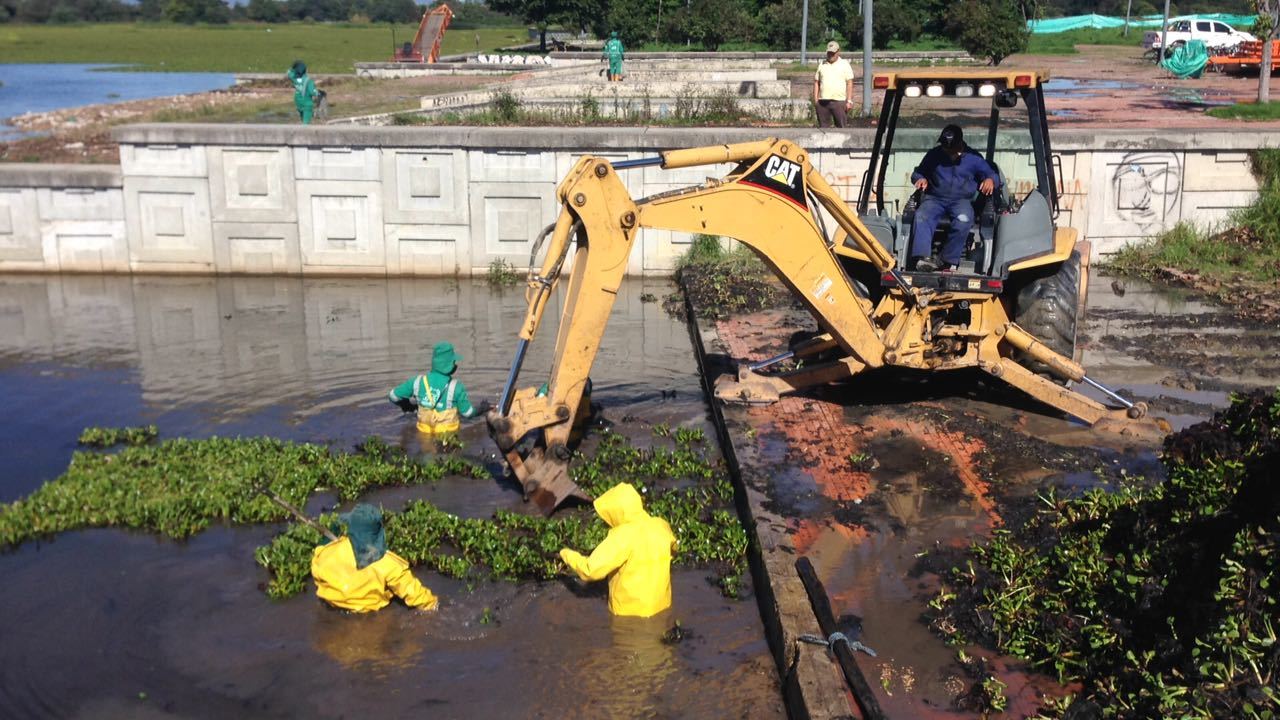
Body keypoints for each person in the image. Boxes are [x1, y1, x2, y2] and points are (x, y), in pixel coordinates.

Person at [559, 483, 677, 618]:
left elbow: (590, 570)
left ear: (615, 512)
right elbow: (673, 549)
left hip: (629, 611)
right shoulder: (660, 525)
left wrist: (566, 554)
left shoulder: (621, 537)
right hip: (662, 604)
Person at [311, 504, 439, 613]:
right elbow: (416, 594)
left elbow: (317, 572)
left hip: (332, 606)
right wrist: (433, 605)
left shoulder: (327, 551)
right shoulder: (388, 563)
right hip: (367, 613)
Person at [909, 124, 999, 272]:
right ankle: (922, 258)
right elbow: (918, 173)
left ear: (959, 145)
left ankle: (946, 260)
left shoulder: (973, 158)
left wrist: (990, 180)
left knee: (964, 219)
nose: (946, 150)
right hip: (934, 198)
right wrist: (920, 179)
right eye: (944, 146)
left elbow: (992, 174)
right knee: (921, 216)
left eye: (950, 147)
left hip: (961, 201)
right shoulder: (934, 155)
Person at [387, 341, 488, 435]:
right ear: (450, 365)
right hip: (449, 436)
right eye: (454, 362)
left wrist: (407, 406)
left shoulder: (417, 382)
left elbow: (393, 396)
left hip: (423, 434)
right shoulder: (456, 386)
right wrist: (483, 408)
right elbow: (468, 413)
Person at [813, 41, 855, 128]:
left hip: (839, 102)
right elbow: (817, 82)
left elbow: (849, 83)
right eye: (829, 53)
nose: (831, 55)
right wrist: (816, 100)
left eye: (833, 53)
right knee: (823, 129)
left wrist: (849, 101)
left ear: (838, 52)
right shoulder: (822, 64)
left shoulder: (844, 64)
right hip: (823, 102)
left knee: (841, 128)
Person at [287, 60, 320, 125]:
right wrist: (317, 93)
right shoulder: (308, 81)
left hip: (298, 102)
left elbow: (289, 72)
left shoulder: (294, 78)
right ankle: (304, 131)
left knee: (302, 117)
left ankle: (303, 125)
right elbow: (312, 92)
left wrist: (294, 67)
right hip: (307, 103)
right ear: (305, 70)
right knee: (306, 122)